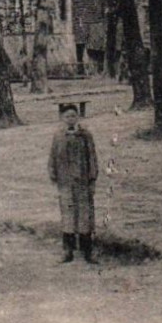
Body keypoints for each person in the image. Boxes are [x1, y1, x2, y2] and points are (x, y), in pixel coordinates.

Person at [49, 103, 99, 263]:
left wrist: (92, 177)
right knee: (68, 215)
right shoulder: (58, 136)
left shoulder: (85, 135)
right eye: (67, 116)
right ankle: (68, 251)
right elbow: (53, 156)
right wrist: (53, 173)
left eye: (73, 116)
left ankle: (87, 251)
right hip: (65, 182)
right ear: (62, 118)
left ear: (78, 117)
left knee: (84, 215)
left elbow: (92, 157)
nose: (70, 119)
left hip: (83, 182)